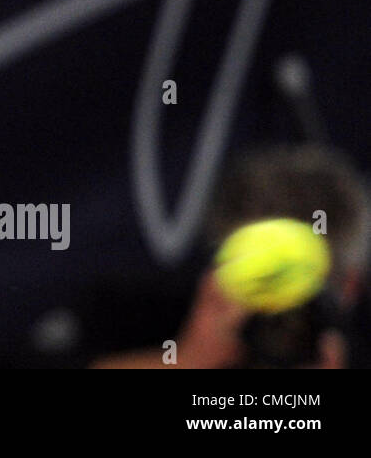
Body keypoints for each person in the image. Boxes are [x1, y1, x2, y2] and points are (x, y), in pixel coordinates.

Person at [91, 143, 370, 368]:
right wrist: (188, 362)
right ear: (215, 281)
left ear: (349, 288)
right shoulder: (137, 318)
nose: (278, 323)